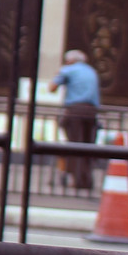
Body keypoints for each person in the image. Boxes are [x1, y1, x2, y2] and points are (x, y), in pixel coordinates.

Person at [51, 47, 101, 192]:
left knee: (74, 145)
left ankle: (78, 180)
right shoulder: (91, 71)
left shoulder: (68, 70)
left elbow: (52, 88)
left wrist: (58, 74)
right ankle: (87, 180)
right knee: (88, 146)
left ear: (71, 60)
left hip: (75, 111)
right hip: (91, 112)